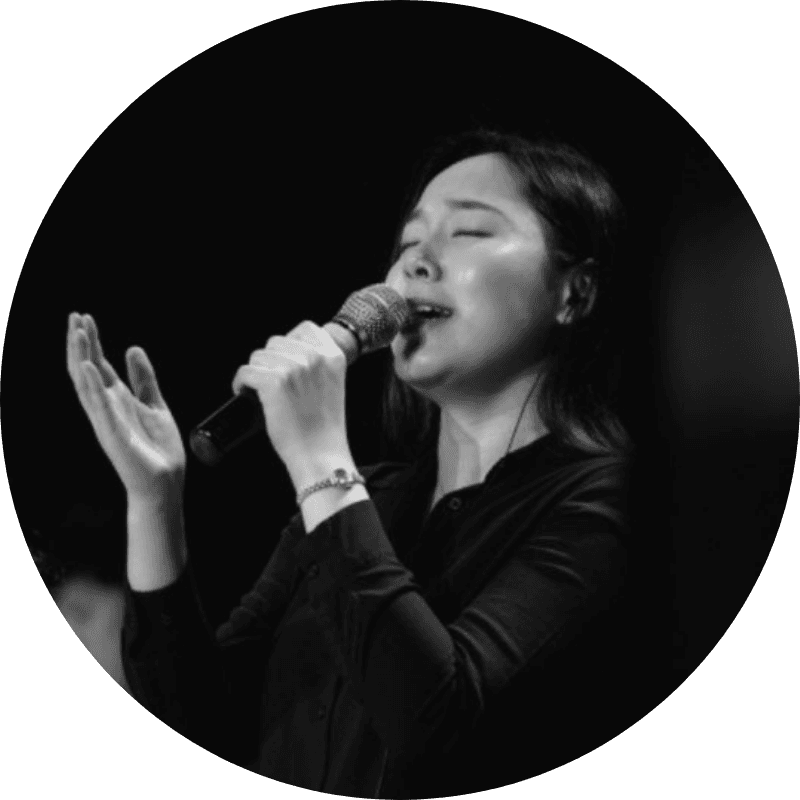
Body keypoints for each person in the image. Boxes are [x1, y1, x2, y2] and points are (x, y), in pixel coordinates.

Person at [66, 129, 639, 799]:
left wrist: (318, 456)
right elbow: (199, 725)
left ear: (575, 293)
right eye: (408, 241)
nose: (416, 260)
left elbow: (439, 724)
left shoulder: (613, 502)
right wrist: (154, 502)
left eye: (470, 232)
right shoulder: (363, 500)